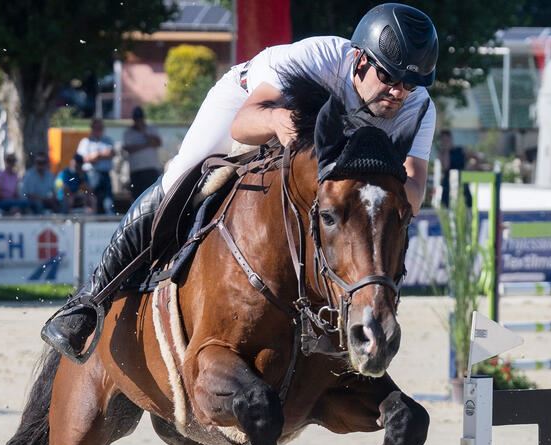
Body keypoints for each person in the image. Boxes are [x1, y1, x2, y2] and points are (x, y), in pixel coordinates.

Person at [41, 3, 439, 361]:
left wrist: (383, 191)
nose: (397, 92)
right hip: (251, 103)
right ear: (358, 59)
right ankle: (89, 301)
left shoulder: (418, 107)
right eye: (389, 77)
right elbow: (243, 124)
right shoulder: (315, 60)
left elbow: (414, 190)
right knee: (184, 172)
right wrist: (275, 122)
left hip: (324, 148)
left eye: (409, 83)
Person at [122, 106, 163, 199]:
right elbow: (129, 149)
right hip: (136, 170)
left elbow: (157, 142)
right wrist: (146, 145)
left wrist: (144, 132)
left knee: (152, 196)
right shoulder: (128, 132)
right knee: (137, 196)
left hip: (151, 168)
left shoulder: (151, 129)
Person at [76, 118, 114, 214]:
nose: (98, 130)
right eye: (96, 127)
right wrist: (100, 155)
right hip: (90, 174)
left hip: (105, 174)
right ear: (92, 128)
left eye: (100, 127)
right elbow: (83, 159)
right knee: (92, 200)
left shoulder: (108, 140)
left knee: (107, 200)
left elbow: (111, 154)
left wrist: (96, 155)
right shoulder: (85, 142)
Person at [437, 129, 471, 208]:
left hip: (462, 182)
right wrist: (446, 150)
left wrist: (469, 166)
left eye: (446, 139)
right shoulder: (442, 153)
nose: (445, 141)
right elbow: (446, 166)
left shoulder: (461, 150)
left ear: (450, 138)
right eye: (443, 140)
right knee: (448, 206)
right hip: (448, 184)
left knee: (467, 205)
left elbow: (474, 157)